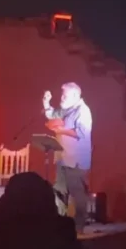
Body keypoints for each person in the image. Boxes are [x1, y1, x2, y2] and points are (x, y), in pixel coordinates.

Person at [42, 82, 93, 232]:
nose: (62, 98)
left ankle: (79, 226)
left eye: (65, 95)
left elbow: (81, 133)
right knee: (59, 191)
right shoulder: (66, 109)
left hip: (76, 160)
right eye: (62, 95)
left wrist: (61, 130)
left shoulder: (83, 111)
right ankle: (60, 224)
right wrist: (46, 102)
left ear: (75, 96)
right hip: (62, 157)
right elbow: (52, 115)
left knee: (77, 192)